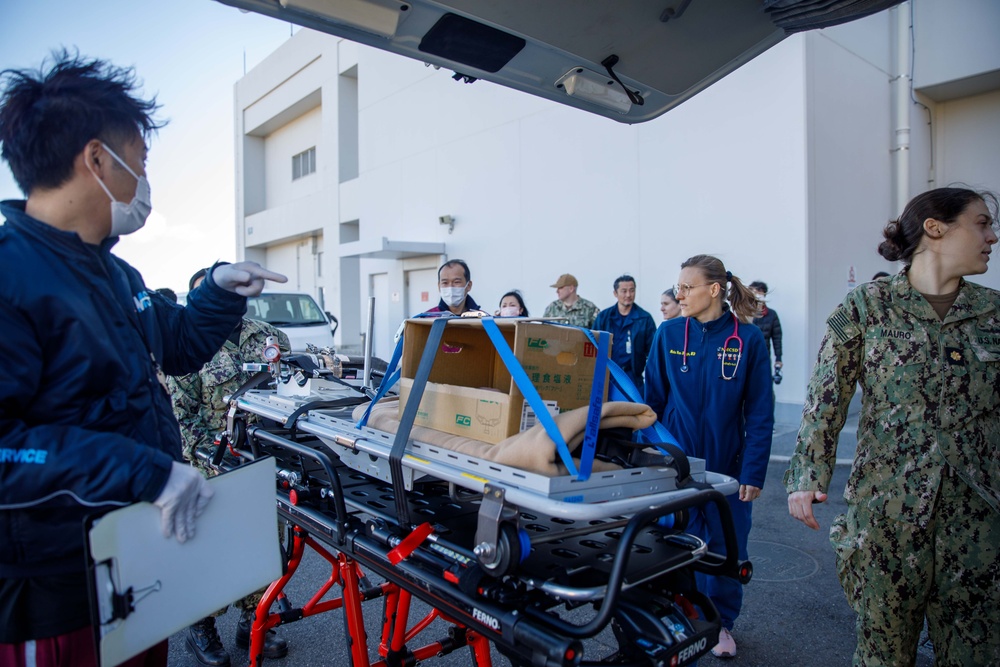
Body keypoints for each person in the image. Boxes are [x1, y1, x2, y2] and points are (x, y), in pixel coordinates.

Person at [0, 53, 286, 667]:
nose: (144, 179)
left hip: (135, 564)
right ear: (98, 159)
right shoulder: (11, 271)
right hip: (52, 592)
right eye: (142, 159)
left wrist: (217, 290)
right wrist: (141, 472)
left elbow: (176, 345)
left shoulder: (114, 270)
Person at [785, 187, 1000, 667]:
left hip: (978, 524)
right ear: (935, 228)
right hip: (887, 518)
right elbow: (826, 396)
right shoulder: (867, 306)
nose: (992, 237)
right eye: (982, 223)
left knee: (976, 654)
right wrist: (807, 476)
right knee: (883, 654)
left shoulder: (995, 314)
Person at [644, 255, 774, 659]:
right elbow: (651, 403)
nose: (678, 294)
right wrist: (649, 457)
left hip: (727, 467)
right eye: (677, 287)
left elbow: (760, 412)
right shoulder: (668, 334)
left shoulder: (747, 340)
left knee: (724, 548)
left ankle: (720, 625)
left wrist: (753, 471)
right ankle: (677, 617)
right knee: (672, 544)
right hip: (676, 465)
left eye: (687, 287)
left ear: (714, 290)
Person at [167, 270, 291, 665]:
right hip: (211, 463)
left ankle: (253, 622)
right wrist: (213, 460)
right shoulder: (188, 342)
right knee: (210, 553)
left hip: (261, 457)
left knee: (263, 546)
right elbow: (181, 415)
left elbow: (289, 388)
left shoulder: (268, 335)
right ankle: (200, 629)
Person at [593, 274, 656, 393]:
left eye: (632, 291)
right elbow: (593, 345)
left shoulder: (644, 319)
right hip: (607, 376)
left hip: (633, 378)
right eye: (624, 291)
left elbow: (653, 352)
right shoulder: (604, 317)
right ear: (615, 293)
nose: (628, 295)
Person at [748, 281, 782, 382]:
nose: (756, 294)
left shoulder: (772, 315)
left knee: (765, 383)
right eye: (752, 291)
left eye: (758, 292)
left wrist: (778, 359)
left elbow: (777, 338)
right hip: (747, 355)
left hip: (764, 354)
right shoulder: (745, 313)